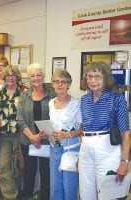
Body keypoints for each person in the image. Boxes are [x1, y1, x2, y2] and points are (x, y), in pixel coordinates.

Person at [79, 61, 129, 200]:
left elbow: (125, 133)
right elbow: (82, 129)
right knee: (86, 193)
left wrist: (124, 161)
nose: (92, 81)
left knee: (108, 193)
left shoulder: (117, 99)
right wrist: (81, 156)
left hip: (108, 150)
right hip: (86, 149)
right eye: (89, 76)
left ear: (105, 78)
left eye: (97, 77)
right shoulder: (84, 100)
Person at [16, 63, 55, 200]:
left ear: (43, 76)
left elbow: (56, 116)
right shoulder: (24, 95)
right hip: (28, 140)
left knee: (46, 172)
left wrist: (41, 136)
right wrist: (33, 136)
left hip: (47, 140)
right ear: (29, 78)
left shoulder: (52, 94)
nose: (36, 78)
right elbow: (19, 118)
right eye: (32, 75)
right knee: (29, 171)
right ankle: (27, 195)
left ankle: (45, 196)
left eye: (39, 75)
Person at [49, 69, 82, 200]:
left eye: (64, 82)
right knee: (55, 187)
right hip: (54, 148)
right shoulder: (51, 103)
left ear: (69, 84)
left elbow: (82, 130)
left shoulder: (76, 104)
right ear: (52, 84)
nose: (60, 85)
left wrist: (67, 134)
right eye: (56, 81)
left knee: (69, 187)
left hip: (70, 149)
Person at [0, 65, 22, 200]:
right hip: (4, 135)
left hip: (21, 134)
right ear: (5, 77)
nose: (11, 78)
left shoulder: (24, 92)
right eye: (8, 75)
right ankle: (10, 195)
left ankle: (22, 189)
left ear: (17, 77)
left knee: (21, 166)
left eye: (13, 75)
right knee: (4, 166)